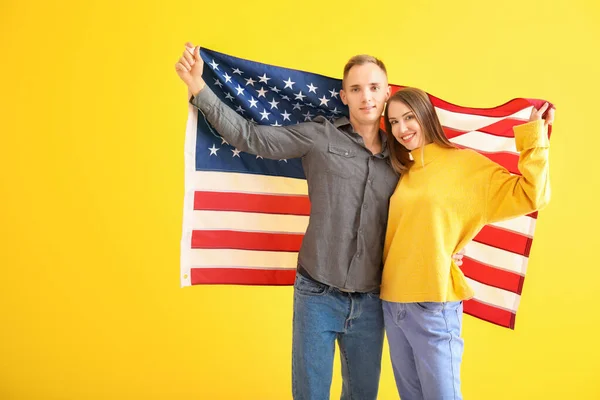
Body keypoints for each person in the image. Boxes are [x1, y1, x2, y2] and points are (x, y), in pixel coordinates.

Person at [175, 45, 464, 399]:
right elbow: (252, 138)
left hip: (372, 300)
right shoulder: (320, 135)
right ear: (344, 96)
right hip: (316, 294)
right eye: (356, 89)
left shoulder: (403, 157)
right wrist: (198, 88)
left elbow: (430, 208)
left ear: (387, 93)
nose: (366, 98)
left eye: (374, 88)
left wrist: (448, 248)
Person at [381, 87, 553, 400]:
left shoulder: (464, 165)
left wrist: (533, 137)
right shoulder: (404, 172)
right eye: (393, 122)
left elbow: (532, 195)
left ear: (426, 116)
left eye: (408, 117)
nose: (402, 129)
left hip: (433, 303)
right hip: (393, 304)